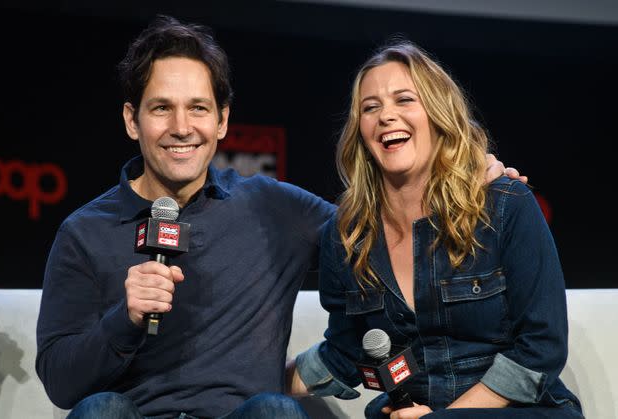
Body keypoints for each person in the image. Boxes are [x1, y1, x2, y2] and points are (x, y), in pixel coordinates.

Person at [36, 16, 519, 419]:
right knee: (99, 410)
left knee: (276, 411)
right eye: (161, 108)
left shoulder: (272, 206)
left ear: (222, 121)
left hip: (242, 415)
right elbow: (61, 382)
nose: (181, 127)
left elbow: (376, 231)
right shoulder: (84, 232)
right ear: (131, 119)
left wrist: (463, 176)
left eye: (198, 108)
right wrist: (127, 317)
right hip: (135, 413)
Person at [289, 41, 582, 419]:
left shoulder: (506, 205)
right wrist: (246, 381)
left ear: (438, 114)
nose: (386, 116)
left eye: (404, 100)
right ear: (359, 130)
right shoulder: (346, 235)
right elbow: (345, 352)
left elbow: (540, 350)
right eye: (370, 107)